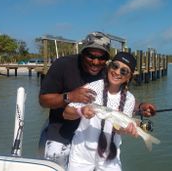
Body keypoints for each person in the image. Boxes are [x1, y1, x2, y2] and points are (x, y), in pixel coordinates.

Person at [38, 31, 156, 169]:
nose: (95, 62)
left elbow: (118, 100)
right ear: (83, 52)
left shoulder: (108, 72)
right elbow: (43, 101)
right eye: (90, 56)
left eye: (101, 58)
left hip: (101, 144)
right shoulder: (64, 65)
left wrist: (140, 107)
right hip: (62, 128)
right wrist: (70, 97)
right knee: (54, 161)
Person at [63, 52, 139, 171]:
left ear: (129, 77)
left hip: (110, 156)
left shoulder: (130, 99)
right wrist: (81, 111)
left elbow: (118, 130)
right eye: (115, 66)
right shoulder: (91, 87)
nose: (117, 72)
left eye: (124, 71)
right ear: (109, 67)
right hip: (81, 153)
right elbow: (66, 113)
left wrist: (126, 130)